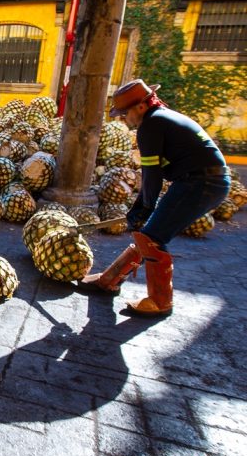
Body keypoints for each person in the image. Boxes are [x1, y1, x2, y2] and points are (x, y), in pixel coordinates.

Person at [80, 79, 230, 316]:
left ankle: (160, 301)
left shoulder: (151, 125)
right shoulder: (161, 118)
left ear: (141, 106)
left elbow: (151, 175)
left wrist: (145, 208)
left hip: (201, 182)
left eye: (125, 113)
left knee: (152, 237)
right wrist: (142, 210)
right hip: (207, 180)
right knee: (150, 233)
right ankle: (109, 279)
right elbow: (154, 174)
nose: (123, 119)